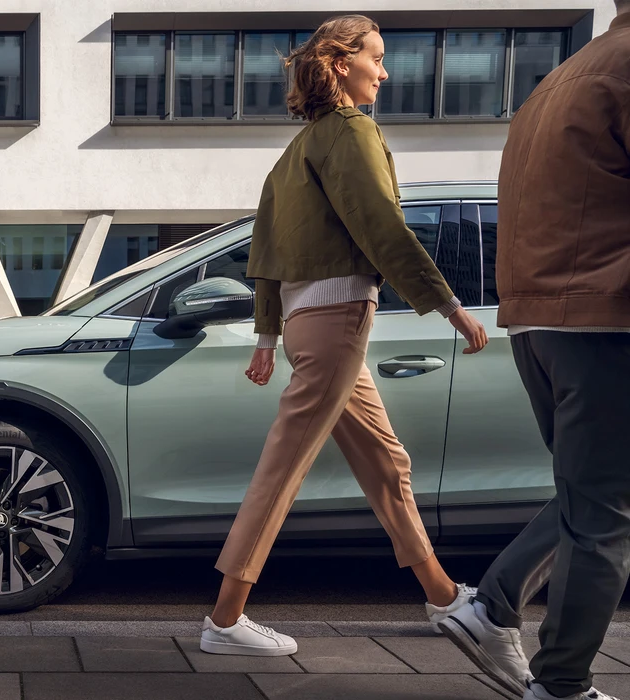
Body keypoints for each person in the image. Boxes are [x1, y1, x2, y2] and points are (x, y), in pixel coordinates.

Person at [199, 14, 491, 658]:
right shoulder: (354, 133)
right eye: (376, 59)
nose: (384, 73)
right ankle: (224, 619)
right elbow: (384, 228)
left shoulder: (294, 153)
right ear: (340, 63)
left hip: (309, 327)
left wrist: (267, 338)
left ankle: (443, 596)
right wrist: (450, 308)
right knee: (285, 465)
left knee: (387, 463)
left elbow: (265, 254)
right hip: (339, 322)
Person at [438, 2, 630, 698]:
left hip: (541, 321)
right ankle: (560, 683)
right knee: (603, 512)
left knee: (592, 495)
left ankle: (491, 605)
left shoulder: (559, 77)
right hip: (605, 318)